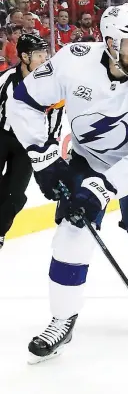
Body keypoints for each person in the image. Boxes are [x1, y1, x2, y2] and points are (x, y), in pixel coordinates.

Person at [8, 3, 128, 364]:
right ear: (109, 42)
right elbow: (23, 102)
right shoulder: (72, 60)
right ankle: (62, 320)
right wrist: (43, 159)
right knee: (71, 235)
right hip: (85, 160)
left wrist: (100, 190)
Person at [0, 34, 50, 250]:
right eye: (39, 54)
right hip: (1, 136)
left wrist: (48, 142)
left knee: (15, 195)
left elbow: (56, 114)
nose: (44, 59)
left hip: (26, 144)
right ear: (24, 56)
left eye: (44, 54)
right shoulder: (5, 79)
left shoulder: (50, 83)